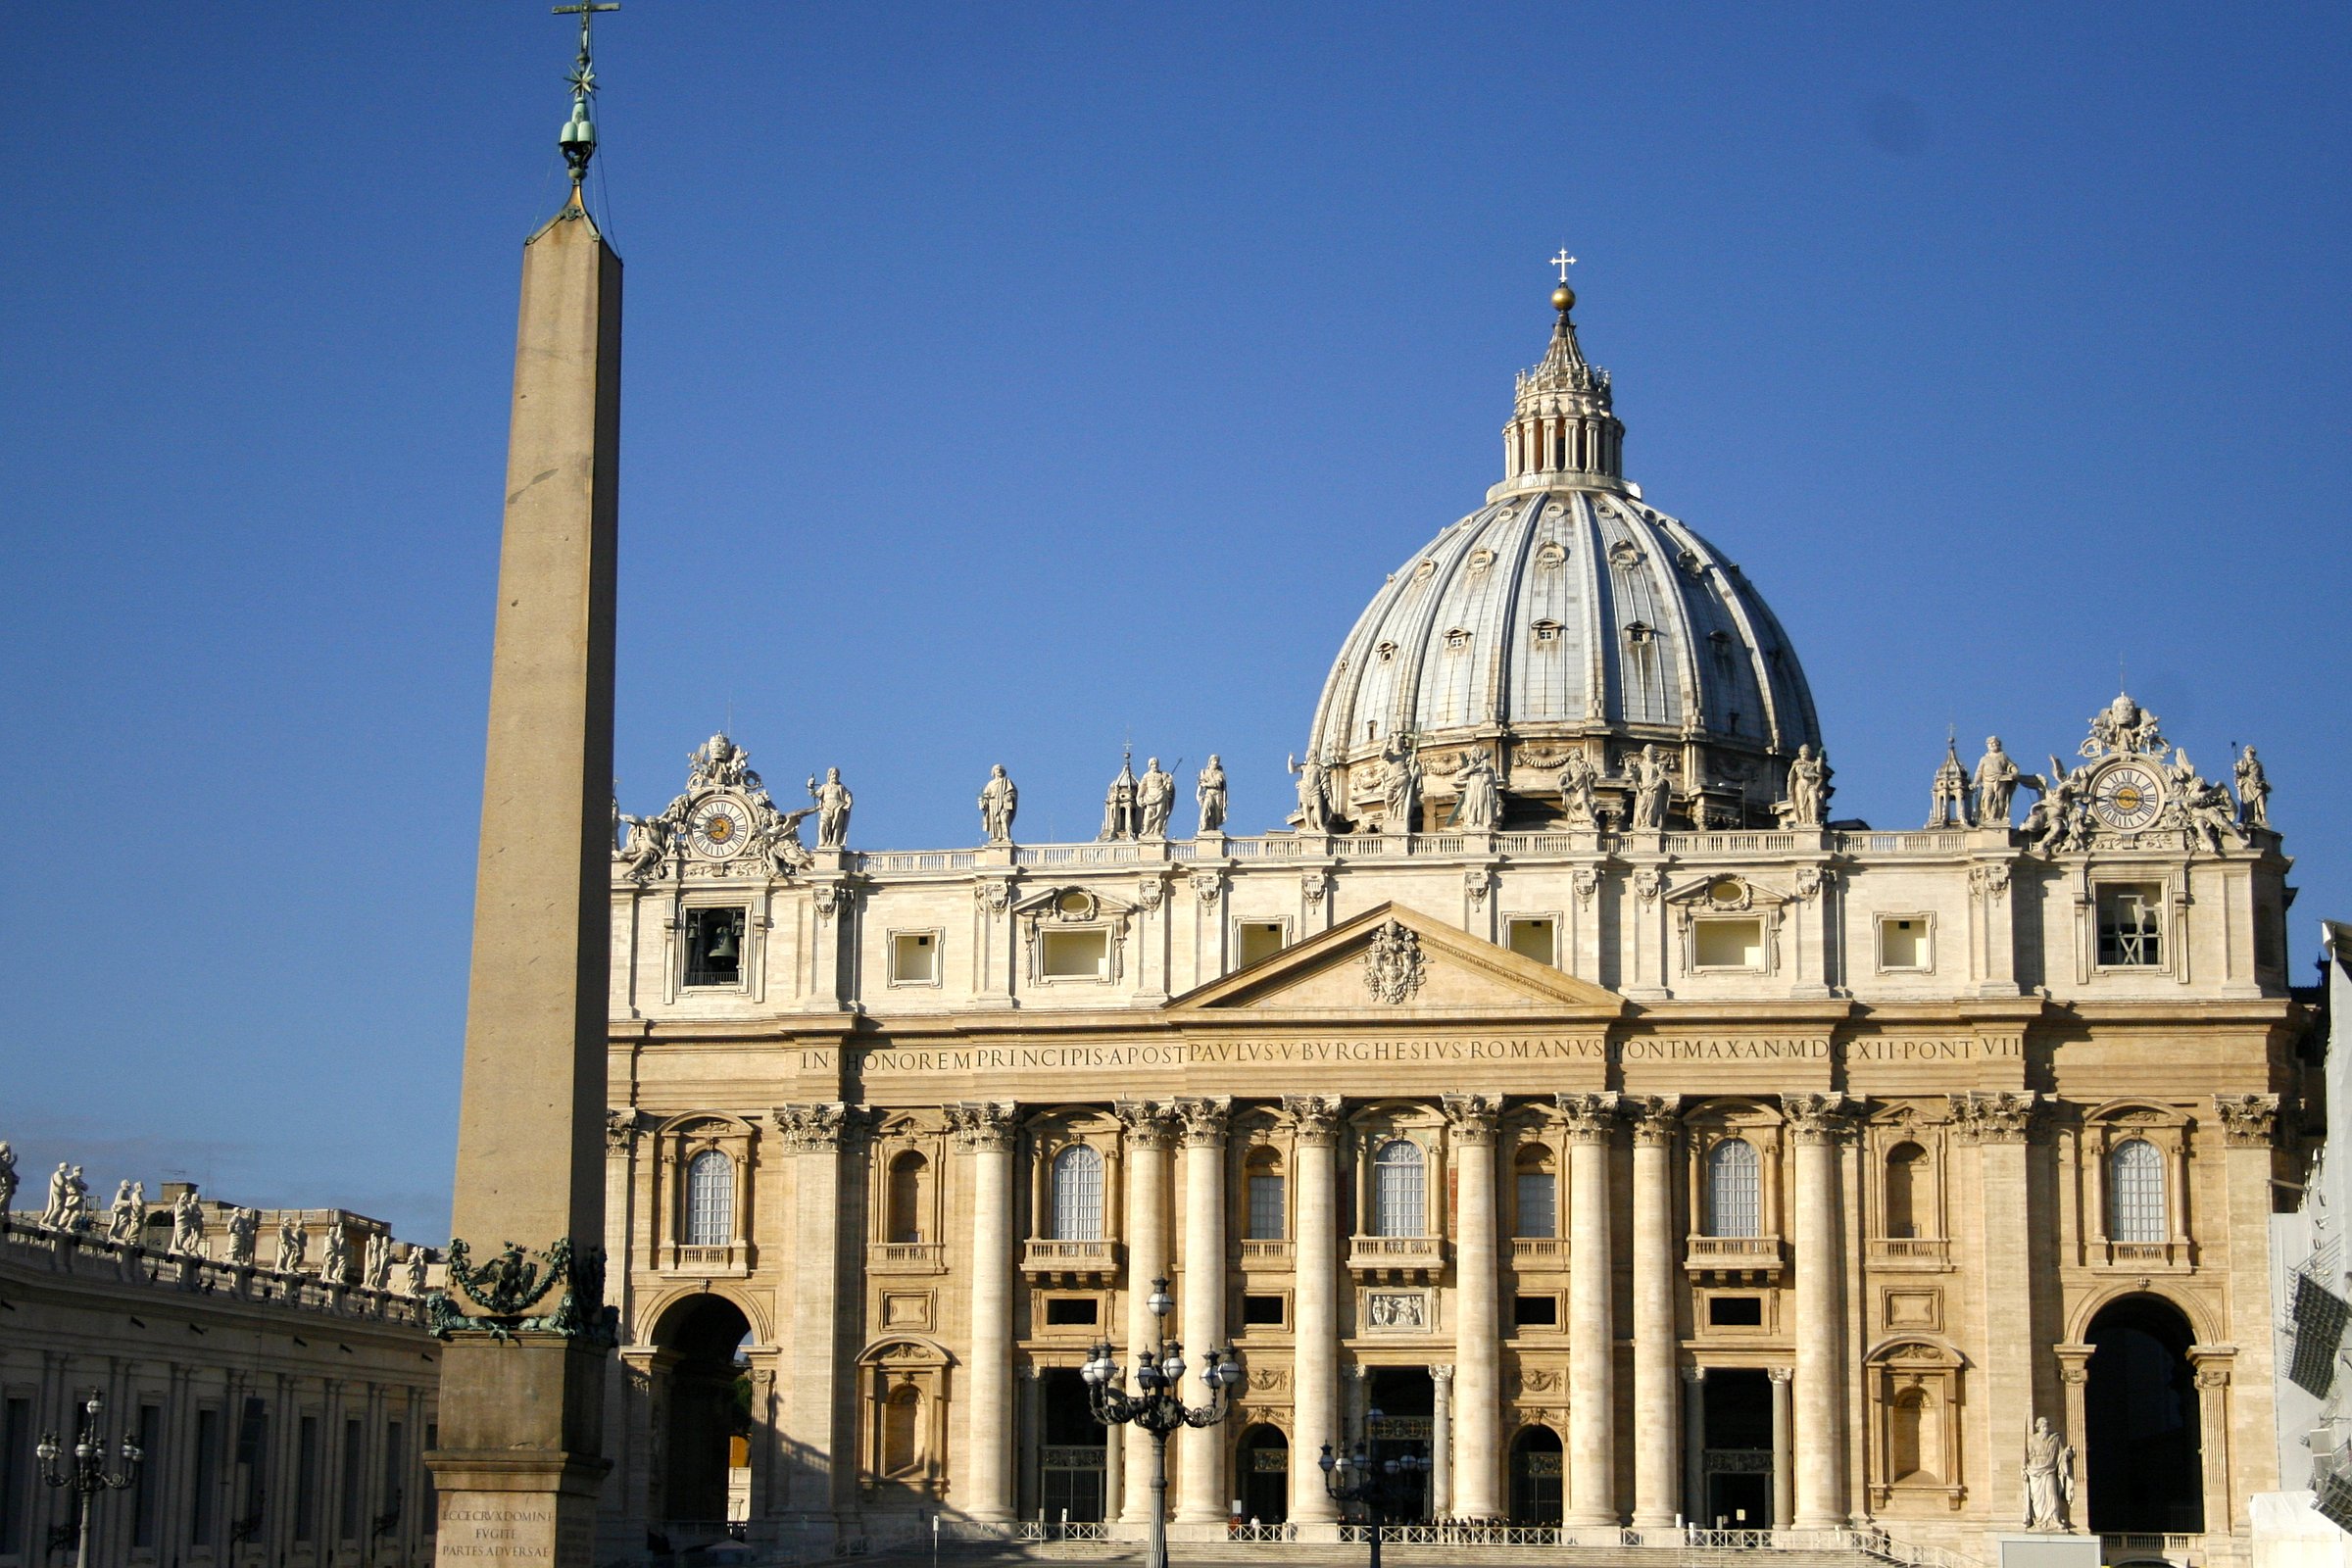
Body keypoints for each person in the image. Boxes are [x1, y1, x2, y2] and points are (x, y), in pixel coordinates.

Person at [2022, 1416, 2075, 1531]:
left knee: (2051, 1495)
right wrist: (2024, 1469)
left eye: (2047, 1426)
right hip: (2034, 1470)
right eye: (2043, 1426)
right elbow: (2026, 1456)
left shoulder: (2055, 1438)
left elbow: (2061, 1454)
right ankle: (2039, 1520)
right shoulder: (2031, 1439)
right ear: (2038, 1427)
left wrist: (2067, 1453)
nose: (2045, 1428)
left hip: (2049, 1470)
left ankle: (2054, 1520)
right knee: (2036, 1498)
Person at [1974, 736, 2022, 825]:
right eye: (1990, 744)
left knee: (2000, 799)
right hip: (1987, 781)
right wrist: (1975, 782)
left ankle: (1999, 817)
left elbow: (2011, 766)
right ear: (1987, 745)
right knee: (1987, 798)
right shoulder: (1984, 759)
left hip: (2001, 780)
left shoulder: (2003, 756)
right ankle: (1988, 817)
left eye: (1994, 743)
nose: (1992, 745)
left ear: (1998, 744)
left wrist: (2014, 773)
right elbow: (1979, 771)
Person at [808, 768, 853, 849]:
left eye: (836, 775)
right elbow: (815, 794)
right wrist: (810, 786)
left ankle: (835, 842)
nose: (834, 776)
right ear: (829, 776)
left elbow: (847, 794)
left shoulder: (840, 787)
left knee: (837, 826)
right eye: (833, 774)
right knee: (822, 824)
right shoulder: (824, 787)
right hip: (826, 808)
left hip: (838, 807)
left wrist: (849, 803)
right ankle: (822, 843)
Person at [1136, 758, 1175, 839]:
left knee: (1160, 815)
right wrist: (1139, 796)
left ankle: (1157, 830)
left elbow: (1169, 788)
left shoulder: (1162, 775)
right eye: (1153, 764)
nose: (1155, 765)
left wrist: (1169, 783)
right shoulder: (1146, 776)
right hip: (1149, 796)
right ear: (1150, 765)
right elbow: (1143, 787)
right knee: (1148, 813)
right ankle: (1146, 830)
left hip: (1161, 795)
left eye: (1156, 764)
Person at [979, 765, 1018, 845]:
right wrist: (983, 801)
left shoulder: (1006, 781)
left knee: (1004, 819)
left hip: (1003, 803)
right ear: (993, 772)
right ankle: (995, 837)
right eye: (996, 769)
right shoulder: (990, 784)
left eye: (1000, 769)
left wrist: (1009, 796)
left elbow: (1012, 792)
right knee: (994, 821)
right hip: (993, 804)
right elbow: (985, 795)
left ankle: (1006, 836)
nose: (998, 770)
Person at [2235, 745, 2272, 829]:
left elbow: (2261, 776)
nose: (2251, 754)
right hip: (2247, 784)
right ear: (2245, 753)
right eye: (2249, 752)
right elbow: (2240, 773)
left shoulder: (2258, 764)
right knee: (2249, 802)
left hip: (2257, 784)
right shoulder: (2243, 762)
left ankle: (2262, 818)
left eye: (2252, 753)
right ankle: (2253, 818)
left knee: (2260, 800)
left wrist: (2263, 784)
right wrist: (2237, 769)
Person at [1196, 756, 1228, 836]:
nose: (1216, 763)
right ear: (1210, 762)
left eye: (1217, 761)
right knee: (1206, 807)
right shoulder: (1205, 772)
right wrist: (1201, 784)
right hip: (1209, 794)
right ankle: (1204, 826)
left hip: (1218, 795)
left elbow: (1217, 784)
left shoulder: (1219, 773)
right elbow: (1201, 785)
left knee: (1216, 815)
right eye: (1214, 761)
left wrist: (1205, 784)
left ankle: (1213, 828)